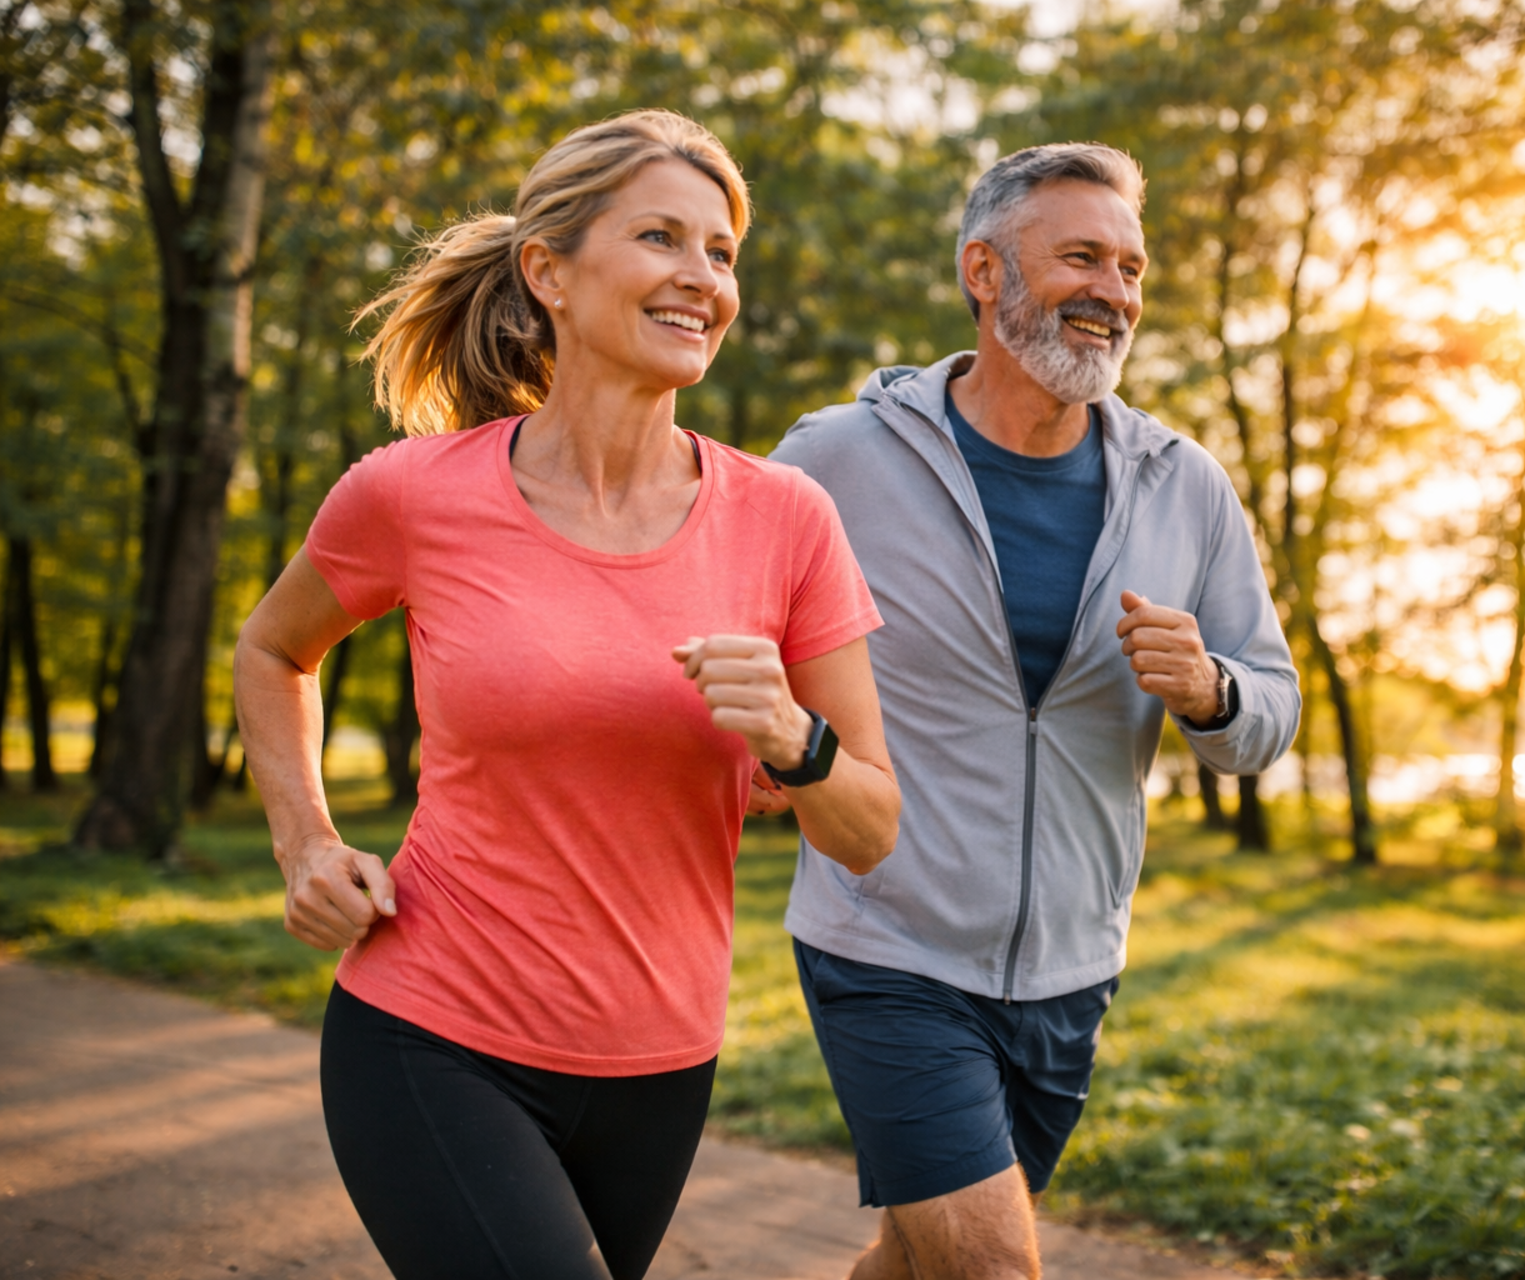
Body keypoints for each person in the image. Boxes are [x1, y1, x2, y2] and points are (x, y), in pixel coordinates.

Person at [233, 110, 899, 1280]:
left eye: (721, 252)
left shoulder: (787, 520)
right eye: (660, 237)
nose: (703, 278)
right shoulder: (413, 494)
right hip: (431, 1027)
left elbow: (871, 827)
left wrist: (795, 740)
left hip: (661, 1061)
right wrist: (307, 842)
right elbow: (274, 649)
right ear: (548, 270)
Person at [766, 143, 1301, 1280]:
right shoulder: (839, 458)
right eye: (1083, 258)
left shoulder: (1184, 483)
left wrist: (1211, 689)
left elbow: (1273, 705)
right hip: (887, 941)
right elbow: (728, 619)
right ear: (983, 271)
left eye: (1132, 268)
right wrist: (768, 751)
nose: (1115, 291)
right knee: (990, 1266)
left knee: (917, 1257)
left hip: (1070, 964)